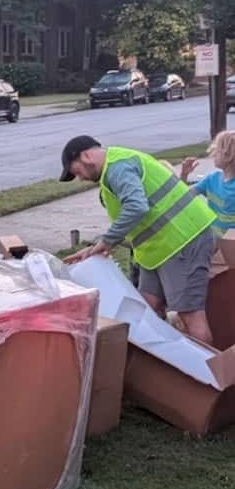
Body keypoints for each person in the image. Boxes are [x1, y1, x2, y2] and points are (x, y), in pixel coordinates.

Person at [62, 135, 217, 344]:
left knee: (189, 316)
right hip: (160, 249)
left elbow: (137, 207)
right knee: (146, 308)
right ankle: (161, 364)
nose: (80, 178)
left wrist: (108, 241)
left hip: (183, 241)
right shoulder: (114, 168)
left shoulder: (118, 168)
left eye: (77, 171)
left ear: (87, 155)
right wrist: (99, 246)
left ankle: (211, 375)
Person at [180, 130, 235, 233]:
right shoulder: (212, 178)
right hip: (212, 241)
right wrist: (184, 175)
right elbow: (183, 196)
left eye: (217, 150)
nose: (212, 153)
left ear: (229, 155)